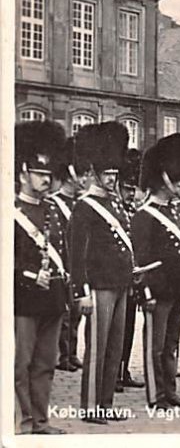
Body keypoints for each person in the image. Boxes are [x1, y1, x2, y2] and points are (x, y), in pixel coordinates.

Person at [70, 122, 133, 424]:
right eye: (107, 174)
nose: (112, 179)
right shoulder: (85, 208)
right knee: (97, 348)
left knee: (114, 349)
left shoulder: (116, 205)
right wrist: (81, 293)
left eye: (114, 174)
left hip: (120, 284)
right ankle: (91, 405)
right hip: (99, 286)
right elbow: (77, 255)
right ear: (95, 173)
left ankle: (106, 403)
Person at [131, 133, 180, 409]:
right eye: (176, 179)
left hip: (176, 288)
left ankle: (169, 390)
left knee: (171, 344)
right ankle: (155, 396)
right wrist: (146, 293)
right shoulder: (145, 215)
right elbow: (140, 262)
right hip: (157, 290)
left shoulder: (174, 212)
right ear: (164, 179)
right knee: (154, 347)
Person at [14, 120, 69, 435]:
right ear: (23, 173)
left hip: (51, 299)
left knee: (46, 364)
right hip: (24, 298)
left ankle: (41, 419)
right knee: (22, 365)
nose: (46, 180)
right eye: (40, 174)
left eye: (49, 175)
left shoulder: (53, 211)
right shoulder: (11, 210)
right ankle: (22, 422)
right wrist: (31, 275)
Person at [51, 137, 85, 372]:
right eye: (79, 174)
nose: (83, 179)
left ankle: (72, 352)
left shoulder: (78, 204)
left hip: (77, 266)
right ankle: (62, 355)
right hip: (62, 265)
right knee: (63, 314)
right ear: (70, 174)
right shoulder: (54, 203)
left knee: (76, 314)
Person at [117, 149, 146, 391]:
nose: (132, 194)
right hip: (115, 280)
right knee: (114, 331)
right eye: (127, 189)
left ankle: (123, 369)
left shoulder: (133, 213)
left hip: (132, 280)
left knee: (128, 328)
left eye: (134, 189)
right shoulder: (113, 214)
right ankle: (113, 372)